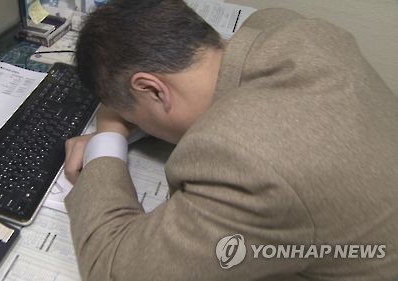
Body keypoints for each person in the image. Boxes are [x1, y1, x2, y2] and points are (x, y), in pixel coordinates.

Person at [63, 0, 398, 280]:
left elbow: (112, 268)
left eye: (134, 119)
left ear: (152, 89)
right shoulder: (288, 28)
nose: (135, 125)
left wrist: (108, 135)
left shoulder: (239, 161)